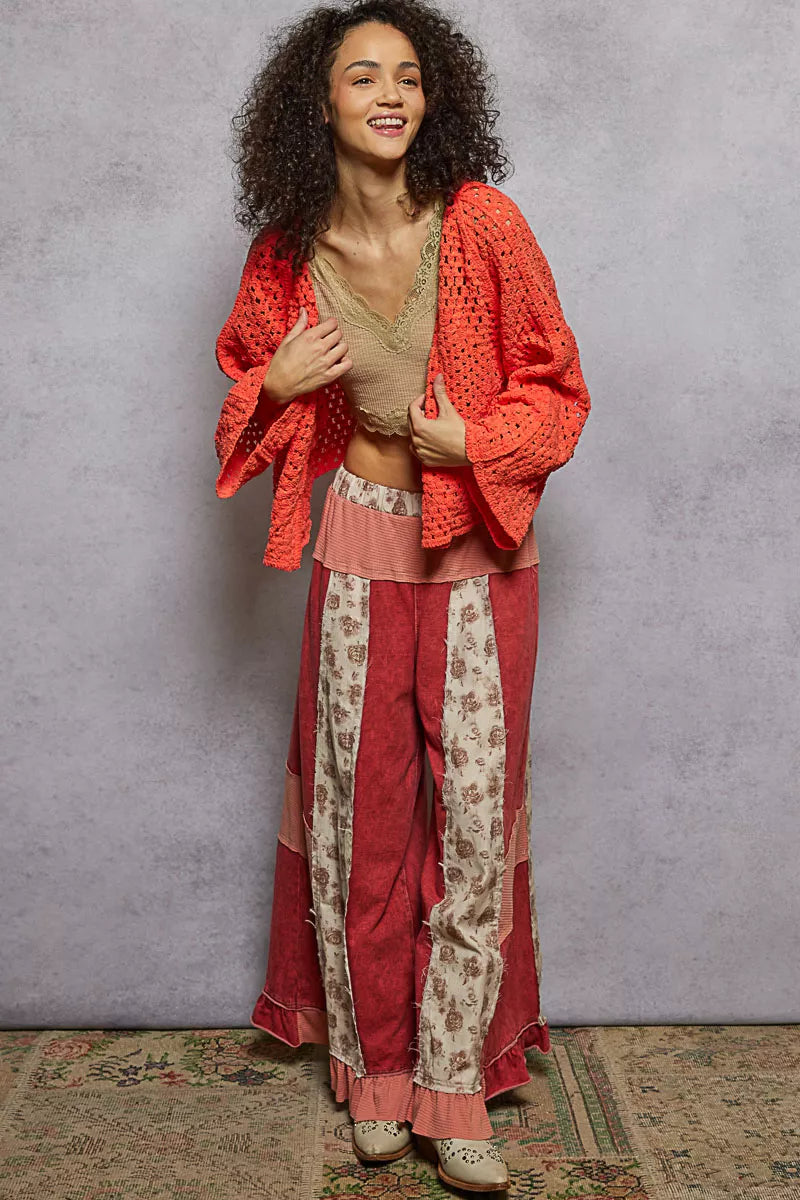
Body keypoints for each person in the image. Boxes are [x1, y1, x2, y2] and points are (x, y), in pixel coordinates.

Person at [213, 1, 591, 1191]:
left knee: (471, 818)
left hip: (476, 550)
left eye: (409, 76)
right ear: (316, 103)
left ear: (435, 98)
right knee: (360, 818)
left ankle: (453, 1084)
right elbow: (241, 403)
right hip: (357, 543)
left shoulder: (481, 223)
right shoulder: (286, 255)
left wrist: (473, 443)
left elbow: (559, 393)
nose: (390, 94)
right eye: (362, 75)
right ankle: (377, 1078)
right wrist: (276, 383)